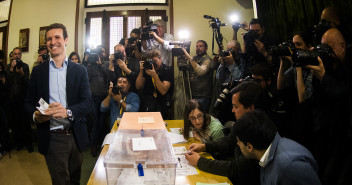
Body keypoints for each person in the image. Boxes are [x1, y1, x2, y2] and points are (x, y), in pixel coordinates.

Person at [25, 23, 93, 185]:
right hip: (53, 137)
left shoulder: (80, 70)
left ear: (66, 40)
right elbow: (28, 102)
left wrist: (68, 112)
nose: (52, 42)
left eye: (57, 37)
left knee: (75, 179)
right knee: (61, 181)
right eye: (49, 39)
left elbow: (88, 102)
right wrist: (35, 115)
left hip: (76, 135)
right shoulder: (38, 71)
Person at [185, 81, 266, 185]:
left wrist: (199, 161)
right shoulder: (243, 122)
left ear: (251, 108)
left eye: (236, 107)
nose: (232, 110)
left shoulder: (258, 133)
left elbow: (235, 168)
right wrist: (204, 146)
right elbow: (228, 141)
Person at [305, 28, 352, 185]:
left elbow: (345, 94)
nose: (328, 54)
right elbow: (316, 100)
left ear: (343, 45)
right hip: (330, 133)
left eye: (329, 49)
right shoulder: (329, 65)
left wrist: (324, 77)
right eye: (324, 49)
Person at [233, 110, 321, 185]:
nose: (237, 144)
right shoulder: (267, 154)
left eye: (239, 141)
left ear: (249, 147)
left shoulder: (290, 166)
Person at [86, 47, 115, 157]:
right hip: (93, 98)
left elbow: (110, 77)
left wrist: (105, 65)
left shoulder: (104, 66)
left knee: (101, 122)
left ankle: (101, 143)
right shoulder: (88, 68)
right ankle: (93, 145)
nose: (99, 56)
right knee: (95, 122)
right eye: (97, 54)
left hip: (104, 98)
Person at [5, 47, 32, 152]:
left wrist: (21, 75)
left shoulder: (25, 66)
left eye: (18, 54)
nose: (16, 55)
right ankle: (19, 143)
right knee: (15, 123)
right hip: (12, 99)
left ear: (21, 55)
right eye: (15, 54)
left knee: (26, 123)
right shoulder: (8, 67)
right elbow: (6, 84)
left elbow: (27, 84)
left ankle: (29, 144)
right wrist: (11, 70)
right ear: (12, 55)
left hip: (23, 99)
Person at [136, 50, 173, 119]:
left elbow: (163, 91)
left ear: (161, 60)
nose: (153, 64)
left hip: (162, 104)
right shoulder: (147, 70)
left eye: (155, 61)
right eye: (151, 62)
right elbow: (138, 86)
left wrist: (154, 75)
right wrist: (141, 72)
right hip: (148, 103)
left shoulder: (167, 70)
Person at [182, 40, 213, 111]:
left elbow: (201, 71)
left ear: (206, 48)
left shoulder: (207, 59)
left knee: (202, 116)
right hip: (192, 94)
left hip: (203, 95)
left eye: (201, 46)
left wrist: (189, 57)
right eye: (197, 46)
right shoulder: (194, 58)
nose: (198, 48)